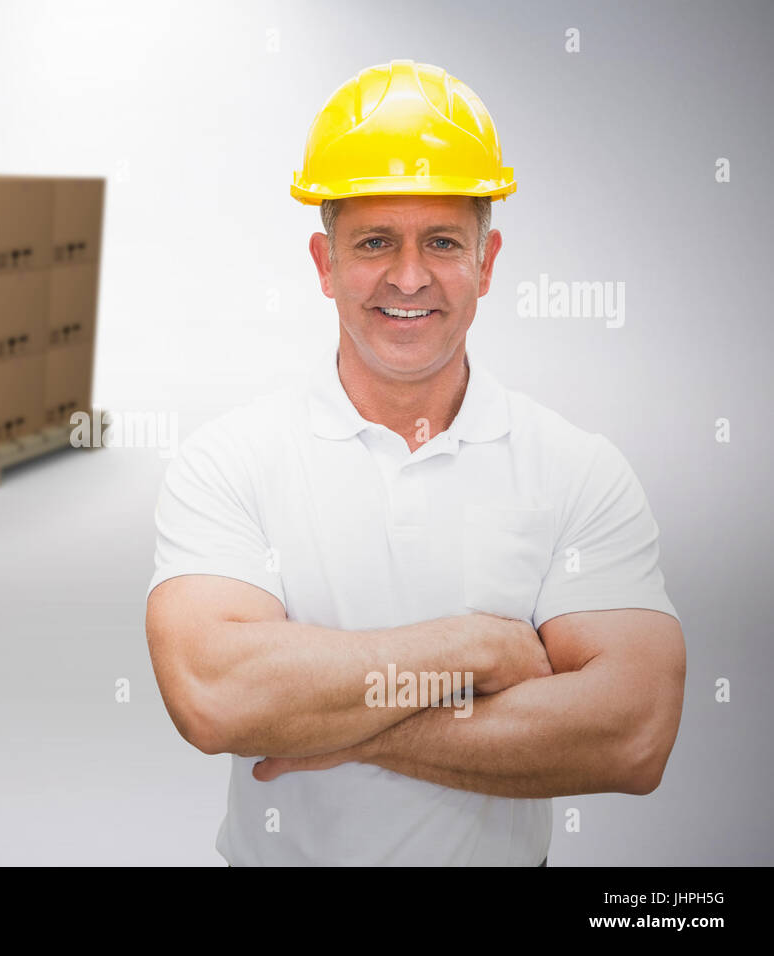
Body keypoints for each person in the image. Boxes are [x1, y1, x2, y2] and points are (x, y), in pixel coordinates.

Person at [144, 60, 686, 866]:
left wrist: (343, 728)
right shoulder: (230, 463)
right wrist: (479, 649)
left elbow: (634, 732)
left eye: (441, 242)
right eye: (374, 243)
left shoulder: (575, 469)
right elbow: (217, 697)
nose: (408, 276)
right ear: (325, 264)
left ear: (487, 262)